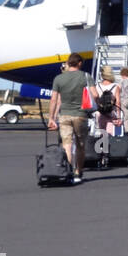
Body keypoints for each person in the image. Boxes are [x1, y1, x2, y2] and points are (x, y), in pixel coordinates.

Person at [48, 53, 90, 184]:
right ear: (79, 63)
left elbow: (54, 99)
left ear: (68, 63)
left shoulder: (58, 78)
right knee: (80, 145)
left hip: (64, 115)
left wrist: (51, 118)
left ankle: (68, 172)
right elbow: (94, 94)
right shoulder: (86, 76)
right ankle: (79, 172)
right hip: (80, 115)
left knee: (67, 144)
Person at [93, 66, 124, 156]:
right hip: (111, 113)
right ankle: (107, 154)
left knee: (101, 132)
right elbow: (118, 102)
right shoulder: (115, 86)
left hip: (100, 113)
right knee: (109, 133)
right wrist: (118, 116)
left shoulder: (97, 86)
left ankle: (100, 153)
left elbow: (96, 99)